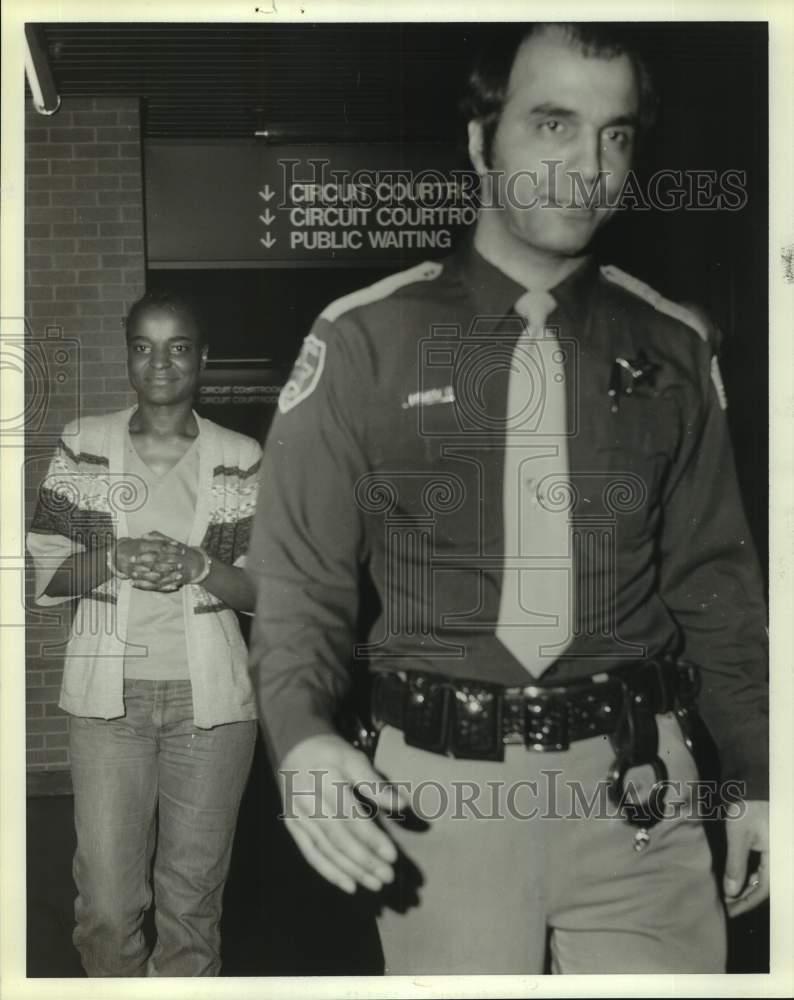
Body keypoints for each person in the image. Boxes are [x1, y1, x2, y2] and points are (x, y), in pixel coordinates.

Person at [246, 23, 768, 974]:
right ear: (482, 143)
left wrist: (765, 775)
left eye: (615, 134)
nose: (588, 163)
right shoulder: (365, 339)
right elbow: (299, 587)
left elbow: (718, 590)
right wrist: (303, 738)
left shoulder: (673, 349)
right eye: (553, 124)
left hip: (639, 790)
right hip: (440, 797)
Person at [27, 290, 262, 976]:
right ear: (128, 355)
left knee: (191, 908)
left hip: (212, 710)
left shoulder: (240, 456)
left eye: (179, 346)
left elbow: (267, 590)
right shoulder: (85, 442)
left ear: (203, 358)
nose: (161, 362)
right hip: (110, 706)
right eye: (144, 346)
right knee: (105, 905)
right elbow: (45, 571)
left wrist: (199, 565)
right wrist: (117, 558)